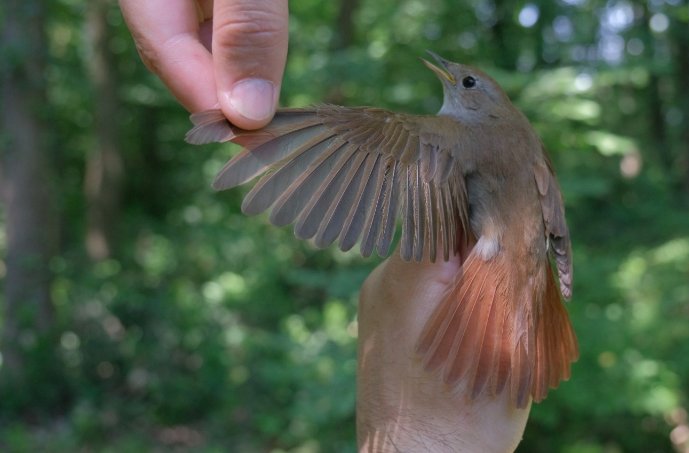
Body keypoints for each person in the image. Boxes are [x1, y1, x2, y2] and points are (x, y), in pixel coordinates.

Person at [118, 1, 530, 451]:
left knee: (371, 126)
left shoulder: (433, 133)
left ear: (486, 103)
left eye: (467, 81)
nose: (451, 74)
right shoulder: (523, 139)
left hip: (490, 256)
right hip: (518, 253)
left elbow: (361, 139)